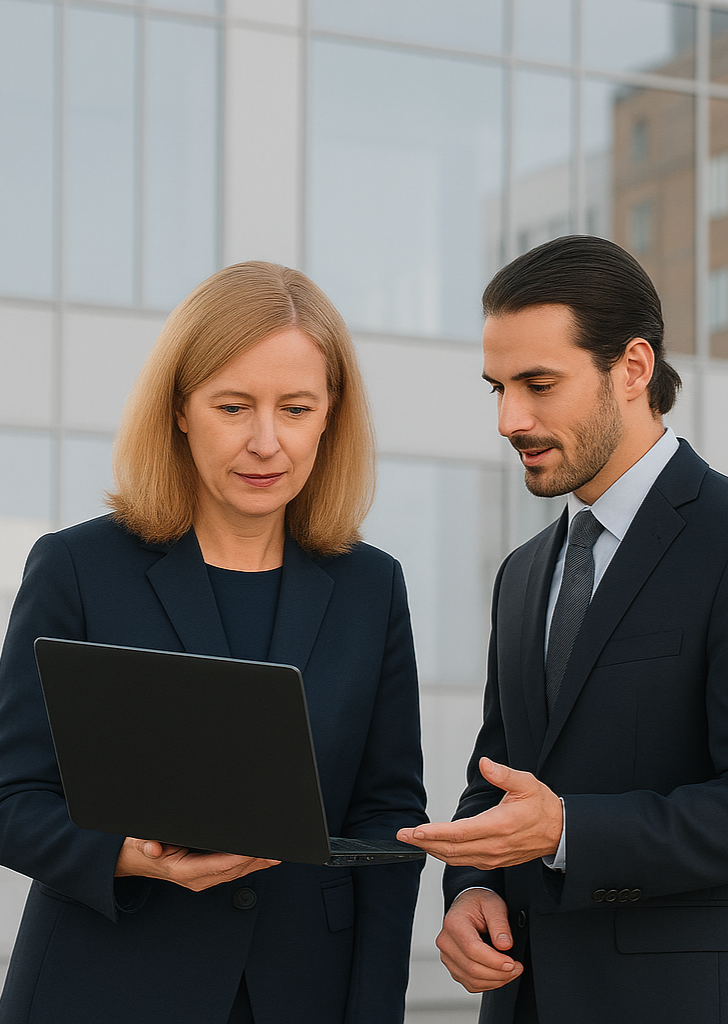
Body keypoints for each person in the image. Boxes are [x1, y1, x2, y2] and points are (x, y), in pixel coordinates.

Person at [0, 261, 427, 1024]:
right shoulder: (77, 568)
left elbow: (387, 813)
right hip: (106, 987)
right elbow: (11, 793)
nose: (267, 442)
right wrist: (127, 854)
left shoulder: (373, 587)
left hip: (309, 995)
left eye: (296, 409)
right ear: (180, 409)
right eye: (234, 406)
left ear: (331, 416)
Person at [397, 235, 728, 1024]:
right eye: (497, 387)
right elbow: (493, 778)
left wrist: (567, 830)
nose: (508, 418)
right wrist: (471, 891)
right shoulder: (524, 571)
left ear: (633, 369)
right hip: (523, 1000)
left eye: (538, 384)